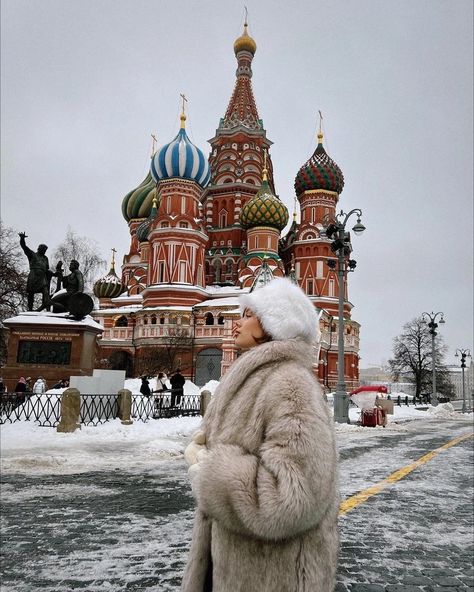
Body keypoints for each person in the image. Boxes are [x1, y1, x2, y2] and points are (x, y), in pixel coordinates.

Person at [181, 277, 339, 592]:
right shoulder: (254, 377)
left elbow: (295, 496)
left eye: (249, 315)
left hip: (273, 576)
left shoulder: (290, 385)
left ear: (273, 325)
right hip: (236, 567)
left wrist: (212, 470)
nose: (237, 323)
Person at [18, 233, 52, 311]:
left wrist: (53, 274)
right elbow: (24, 247)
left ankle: (47, 308)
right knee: (31, 292)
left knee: (45, 292)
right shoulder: (32, 255)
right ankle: (30, 309)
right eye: (43, 249)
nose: (44, 251)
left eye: (45, 250)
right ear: (39, 249)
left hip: (42, 277)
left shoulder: (45, 258)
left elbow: (46, 269)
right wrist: (22, 238)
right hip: (34, 275)